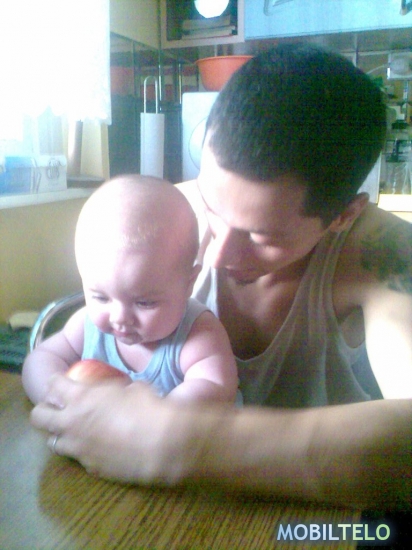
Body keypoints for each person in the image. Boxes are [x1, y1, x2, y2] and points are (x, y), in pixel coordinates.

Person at [30, 44, 411, 511]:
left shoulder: (383, 254)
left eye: (262, 236)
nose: (216, 254)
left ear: (343, 216)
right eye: (211, 207)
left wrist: (177, 442)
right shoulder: (167, 216)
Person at [22, 176, 238, 405]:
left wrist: (157, 417)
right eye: (101, 297)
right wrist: (57, 398)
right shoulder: (87, 327)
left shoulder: (198, 334)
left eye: (144, 302)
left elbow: (215, 387)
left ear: (188, 283)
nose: (119, 317)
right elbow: (41, 358)